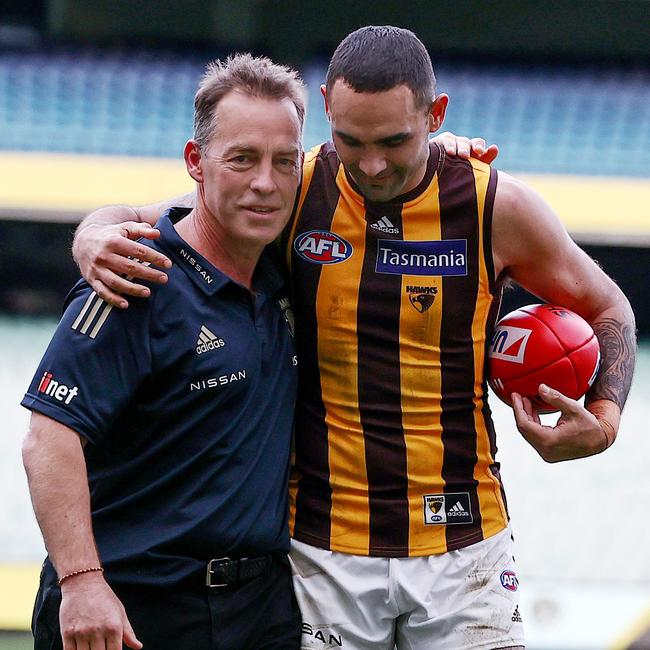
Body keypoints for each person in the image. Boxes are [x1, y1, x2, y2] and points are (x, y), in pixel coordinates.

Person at [71, 26, 636, 650]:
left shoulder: (491, 206)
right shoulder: (295, 189)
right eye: (350, 140)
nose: (370, 165)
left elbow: (608, 305)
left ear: (436, 114)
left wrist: (605, 421)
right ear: (326, 110)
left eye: (394, 141)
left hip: (466, 545)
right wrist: (92, 232)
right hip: (322, 550)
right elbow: (155, 217)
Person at [21, 53, 306, 650]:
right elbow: (49, 437)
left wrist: (451, 150)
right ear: (195, 163)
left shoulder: (291, 269)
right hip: (131, 611)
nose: (266, 182)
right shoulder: (135, 275)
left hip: (260, 611)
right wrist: (82, 581)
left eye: (285, 162)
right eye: (243, 159)